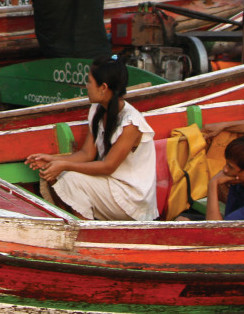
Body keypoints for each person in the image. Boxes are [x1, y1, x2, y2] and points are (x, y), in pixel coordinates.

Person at [26, 57, 157, 220]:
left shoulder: (131, 122)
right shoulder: (98, 109)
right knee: (55, 174)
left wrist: (64, 164)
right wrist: (51, 159)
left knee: (71, 179)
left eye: (89, 82)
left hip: (131, 199)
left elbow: (108, 166)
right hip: (110, 186)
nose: (86, 87)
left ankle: (86, 230)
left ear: (103, 88)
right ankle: (75, 223)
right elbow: (87, 154)